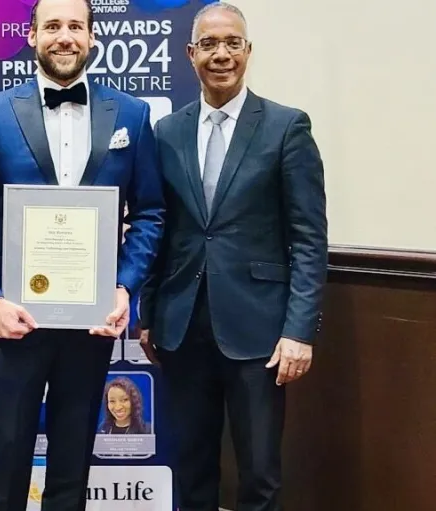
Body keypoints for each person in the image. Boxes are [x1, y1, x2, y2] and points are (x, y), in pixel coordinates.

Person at [0, 0, 165, 509]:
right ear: (31, 35)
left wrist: (123, 287)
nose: (64, 36)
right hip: (14, 323)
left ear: (92, 38)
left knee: (73, 466)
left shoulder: (131, 116)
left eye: (75, 26)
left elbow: (152, 213)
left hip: (89, 326)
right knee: (4, 464)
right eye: (52, 26)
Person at [138, 3, 328, 510]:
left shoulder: (287, 128)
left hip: (260, 331)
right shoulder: (166, 132)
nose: (221, 54)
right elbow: (162, 230)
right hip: (181, 327)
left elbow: (309, 238)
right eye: (209, 44)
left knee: (259, 470)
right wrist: (149, 312)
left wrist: (299, 331)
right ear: (190, 54)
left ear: (247, 51)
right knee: (192, 465)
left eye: (232, 43)